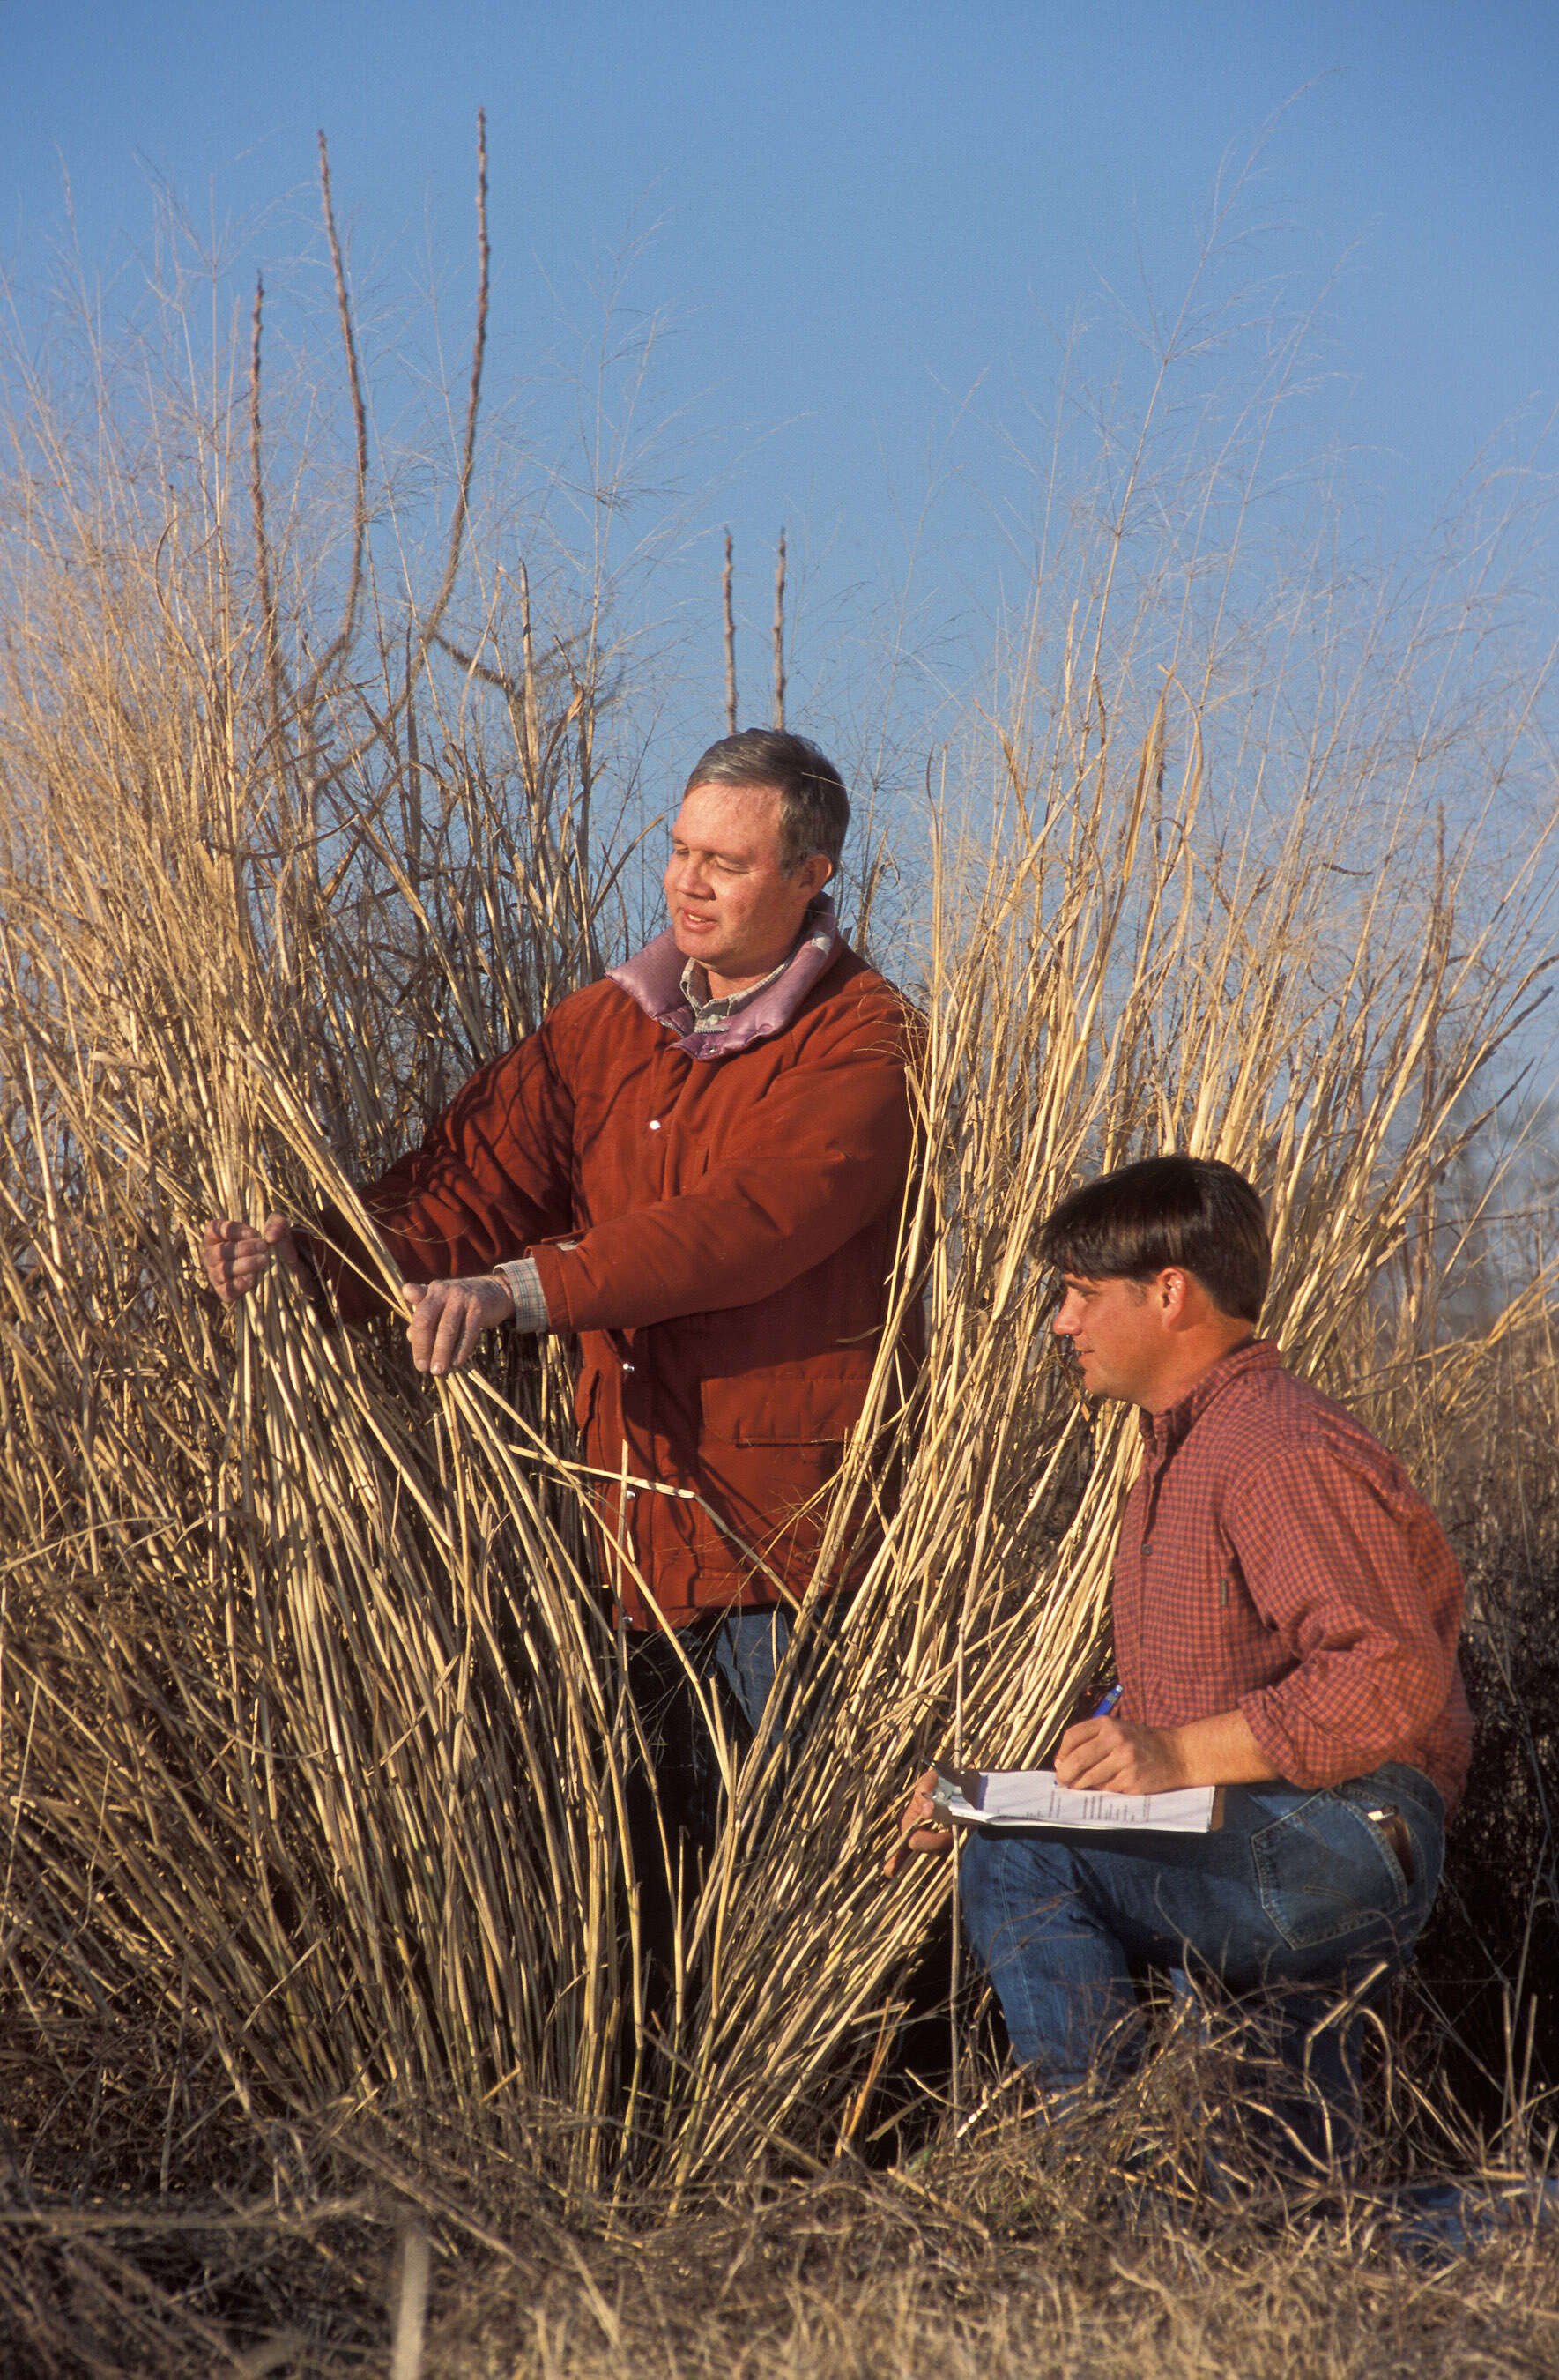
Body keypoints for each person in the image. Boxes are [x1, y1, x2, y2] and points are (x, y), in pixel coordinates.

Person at [204, 728, 919, 1856]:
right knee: (645, 1872)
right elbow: (468, 1189)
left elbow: (746, 1226)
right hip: (625, 1525)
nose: (688, 881)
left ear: (808, 877)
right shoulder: (602, 1027)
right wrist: (315, 1259)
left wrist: (521, 1292)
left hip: (789, 1539)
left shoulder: (867, 1043)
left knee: (796, 1858)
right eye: (679, 850)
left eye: (724, 863)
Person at [889, 1154, 1470, 2157]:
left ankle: (1099, 2166)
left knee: (1019, 1857)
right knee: (1272, 2171)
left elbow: (1389, 1672)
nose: (1059, 1323)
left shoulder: (1271, 1449)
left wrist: (1167, 1761)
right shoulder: (1188, 1450)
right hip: (1292, 1820)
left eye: (1077, 1293)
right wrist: (997, 1787)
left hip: (1340, 1836)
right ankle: (1269, 2235)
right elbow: (1181, 1702)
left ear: (1168, 1294)